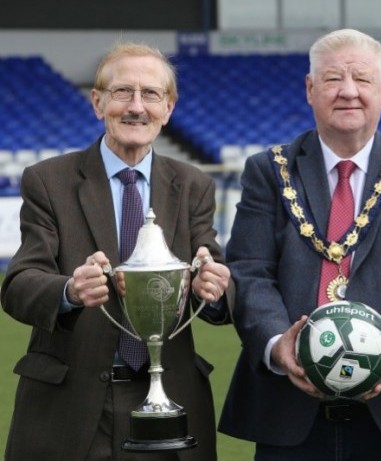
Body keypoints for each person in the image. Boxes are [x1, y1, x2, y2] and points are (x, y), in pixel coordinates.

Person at [218, 28, 381, 460]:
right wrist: (279, 345)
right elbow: (249, 272)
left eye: (363, 79)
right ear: (310, 89)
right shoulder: (268, 172)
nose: (348, 92)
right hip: (289, 419)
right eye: (333, 79)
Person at [1, 42, 234, 461]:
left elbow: (211, 270)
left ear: (169, 109)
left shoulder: (194, 185)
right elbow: (19, 284)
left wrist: (211, 288)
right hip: (72, 409)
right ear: (98, 102)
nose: (136, 107)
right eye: (123, 92)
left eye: (151, 95)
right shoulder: (48, 181)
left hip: (171, 407)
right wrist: (69, 291)